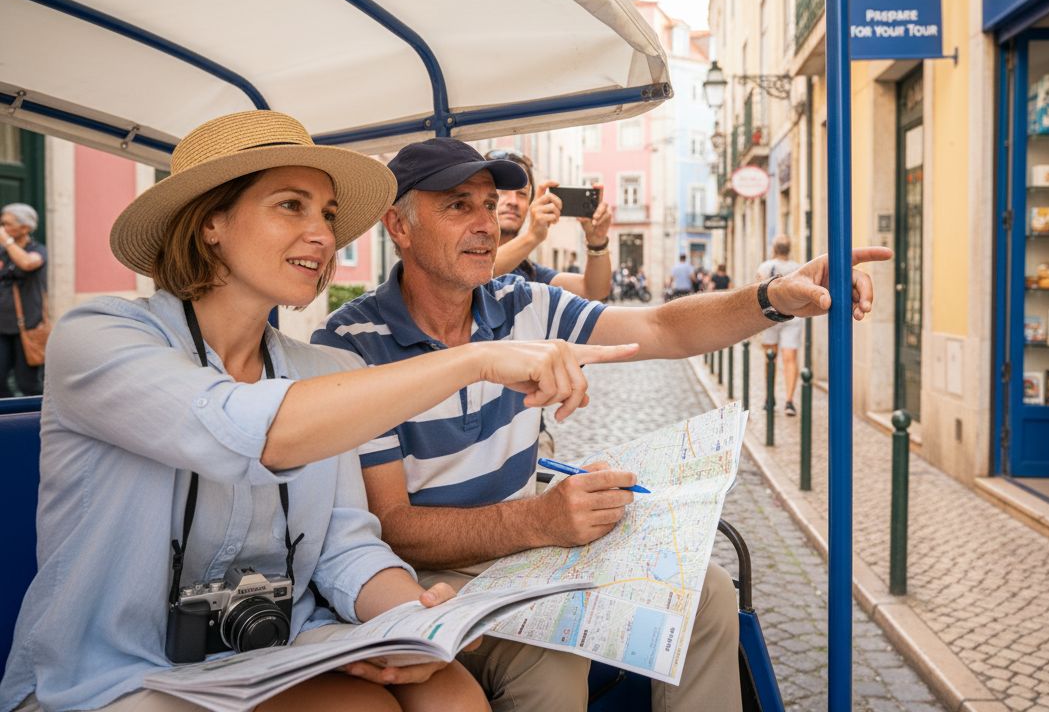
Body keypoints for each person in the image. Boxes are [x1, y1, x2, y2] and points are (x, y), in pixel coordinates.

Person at [0, 112, 635, 712]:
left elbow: (343, 544)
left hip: (276, 647)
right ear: (208, 222)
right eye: (290, 206)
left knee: (449, 693)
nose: (324, 235)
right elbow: (250, 429)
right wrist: (476, 360)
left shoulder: (324, 371)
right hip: (116, 669)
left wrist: (417, 618)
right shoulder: (99, 337)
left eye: (328, 214)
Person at [313, 137, 891, 712]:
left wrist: (775, 297)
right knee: (553, 664)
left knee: (705, 591)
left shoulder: (523, 304)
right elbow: (392, 527)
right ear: (400, 226)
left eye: (489, 205)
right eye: (458, 205)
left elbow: (663, 328)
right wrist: (539, 520)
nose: (486, 224)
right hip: (423, 575)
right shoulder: (351, 345)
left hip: (528, 553)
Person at [485, 149, 611, 300]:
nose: (513, 201)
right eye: (503, 190)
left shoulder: (530, 272)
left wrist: (597, 241)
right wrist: (532, 236)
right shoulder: (461, 252)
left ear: (530, 204)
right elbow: (481, 271)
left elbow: (593, 291)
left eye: (522, 193)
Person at [0, 203, 47, 397]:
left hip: (27, 328)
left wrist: (7, 241)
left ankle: (32, 421)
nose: (2, 228)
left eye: (6, 224)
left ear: (25, 228)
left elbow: (28, 263)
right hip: (1, 328)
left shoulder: (37, 249)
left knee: (27, 384)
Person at [758, 235, 803, 416]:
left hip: (770, 317)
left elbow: (756, 292)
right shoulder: (798, 268)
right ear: (789, 249)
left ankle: (769, 398)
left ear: (774, 249)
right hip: (793, 317)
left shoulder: (765, 267)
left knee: (770, 357)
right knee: (789, 358)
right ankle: (789, 401)